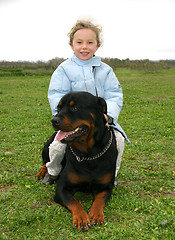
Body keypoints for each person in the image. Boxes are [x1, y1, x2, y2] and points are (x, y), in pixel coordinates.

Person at [43, 19, 129, 185]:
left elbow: (114, 94)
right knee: (58, 145)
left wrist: (107, 116)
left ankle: (111, 176)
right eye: (79, 42)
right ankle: (53, 172)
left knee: (118, 139)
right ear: (71, 44)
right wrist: (62, 118)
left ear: (97, 45)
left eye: (90, 42)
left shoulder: (105, 70)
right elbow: (57, 94)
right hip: (73, 122)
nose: (84, 47)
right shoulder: (64, 70)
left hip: (101, 122)